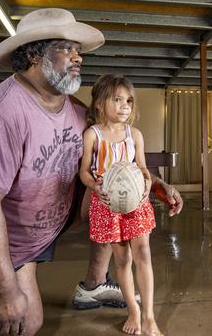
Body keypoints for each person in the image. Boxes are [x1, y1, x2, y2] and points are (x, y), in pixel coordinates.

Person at [0, 8, 183, 336]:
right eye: (66, 49)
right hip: (6, 236)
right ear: (36, 55)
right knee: (20, 324)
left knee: (117, 200)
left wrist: (154, 183)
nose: (78, 58)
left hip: (48, 217)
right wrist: (6, 292)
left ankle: (95, 284)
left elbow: (114, 163)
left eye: (78, 51)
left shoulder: (77, 112)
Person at [79, 74, 162, 336]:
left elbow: (142, 167)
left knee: (144, 255)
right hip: (108, 204)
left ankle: (149, 317)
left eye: (128, 100)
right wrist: (95, 187)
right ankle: (133, 312)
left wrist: (147, 181)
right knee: (123, 260)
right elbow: (84, 172)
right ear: (100, 104)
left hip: (136, 202)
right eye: (117, 99)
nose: (125, 106)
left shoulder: (134, 135)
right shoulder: (92, 135)